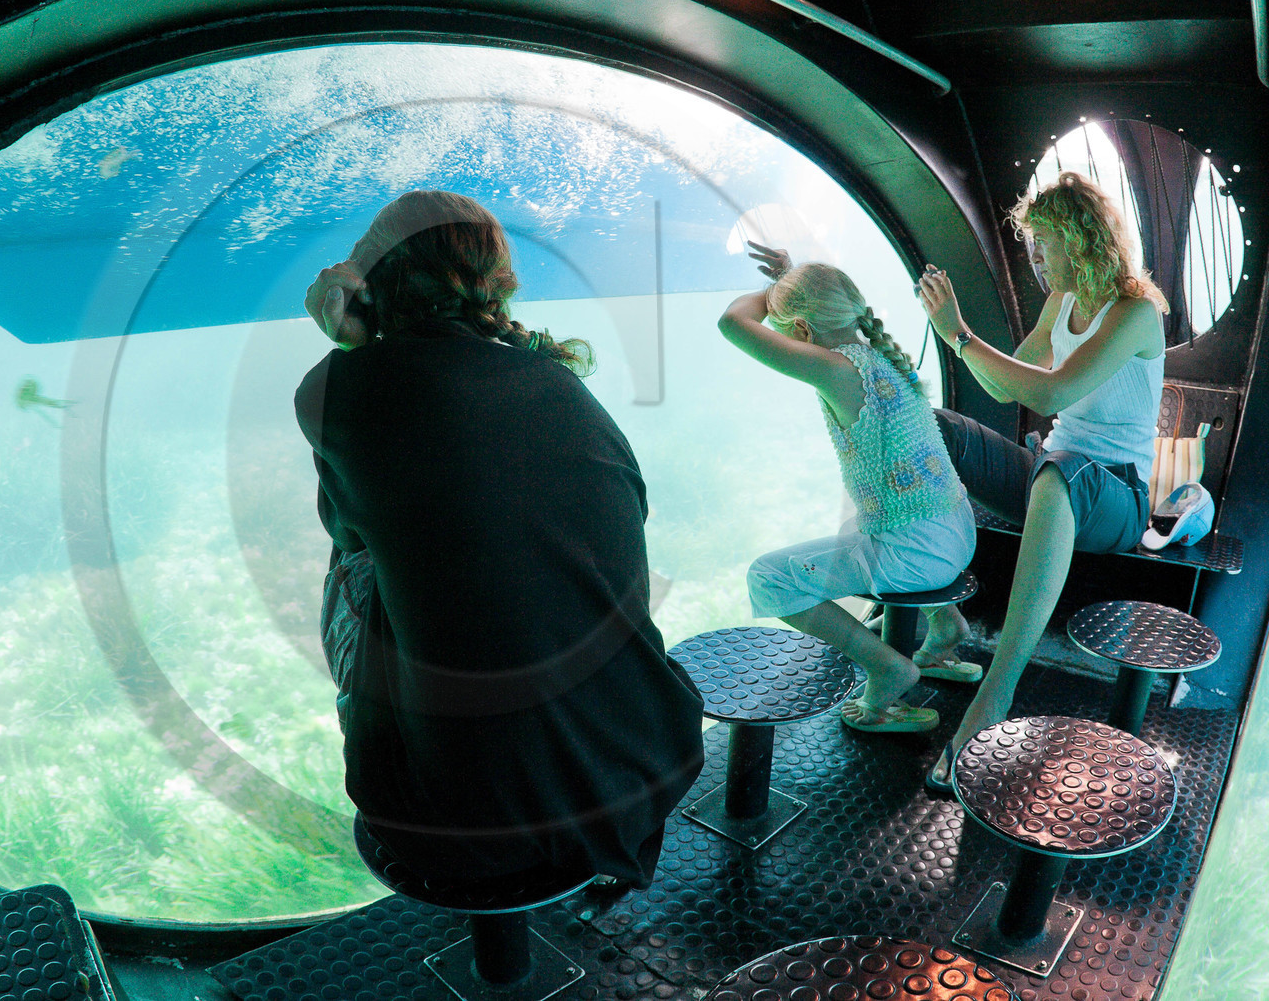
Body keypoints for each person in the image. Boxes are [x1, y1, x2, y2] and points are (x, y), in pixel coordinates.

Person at [294, 190, 705, 887]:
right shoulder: (560, 382)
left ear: (373, 280)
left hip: (461, 822)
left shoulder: (336, 390)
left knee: (356, 557)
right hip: (648, 758)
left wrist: (349, 339)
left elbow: (352, 531)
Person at [919, 171, 1167, 791]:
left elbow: (1052, 390)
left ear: (1082, 238)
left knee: (1057, 474)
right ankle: (943, 616)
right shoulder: (1061, 301)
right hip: (1054, 471)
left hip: (1117, 497)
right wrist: (955, 338)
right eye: (1031, 243)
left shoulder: (1135, 311)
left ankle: (994, 697)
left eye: (1045, 242)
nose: (1035, 256)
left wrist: (960, 333)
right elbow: (1008, 383)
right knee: (928, 428)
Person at [718, 249, 976, 735]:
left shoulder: (836, 368)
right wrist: (786, 286)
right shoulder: (881, 355)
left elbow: (733, 322)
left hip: (918, 557)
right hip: (958, 535)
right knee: (852, 525)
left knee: (768, 579)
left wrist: (769, 294)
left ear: (800, 333)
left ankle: (887, 667)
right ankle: (946, 626)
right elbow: (808, 308)